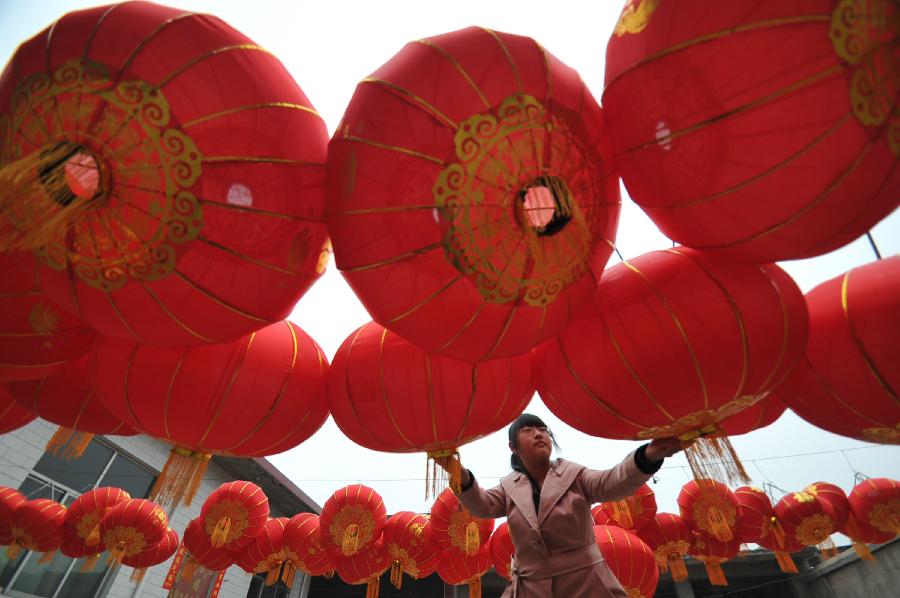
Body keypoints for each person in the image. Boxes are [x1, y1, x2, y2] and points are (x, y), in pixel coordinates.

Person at [438, 413, 683, 597]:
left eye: (543, 429)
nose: (538, 434)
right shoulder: (508, 487)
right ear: (513, 447)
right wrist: (458, 473)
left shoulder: (574, 475)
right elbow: (482, 506)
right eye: (528, 430)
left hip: (587, 583)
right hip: (530, 587)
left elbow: (613, 482)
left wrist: (650, 455)